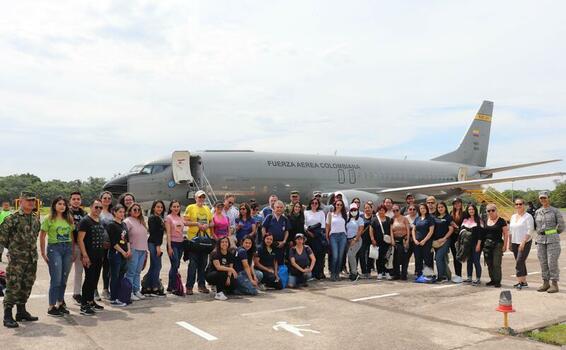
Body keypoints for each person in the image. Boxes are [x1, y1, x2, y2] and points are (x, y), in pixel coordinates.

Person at [0, 192, 41, 328]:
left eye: (33, 201)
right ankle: (7, 316)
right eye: (28, 200)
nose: (31, 203)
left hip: (31, 259)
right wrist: (13, 250)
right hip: (17, 260)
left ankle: (21, 312)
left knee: (26, 285)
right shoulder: (13, 218)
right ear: (21, 202)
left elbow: (34, 236)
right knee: (13, 286)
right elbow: (2, 238)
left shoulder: (35, 218)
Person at [40, 197, 74, 317]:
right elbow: (42, 236)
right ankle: (51, 306)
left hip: (68, 249)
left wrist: (73, 251)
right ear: (54, 205)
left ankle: (60, 304)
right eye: (59, 204)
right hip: (54, 249)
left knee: (64, 279)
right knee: (56, 279)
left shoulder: (69, 219)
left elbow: (72, 236)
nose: (62, 206)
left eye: (64, 204)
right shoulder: (49, 218)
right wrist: (43, 253)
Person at [77, 200, 106, 316]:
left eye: (100, 208)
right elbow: (80, 240)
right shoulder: (85, 221)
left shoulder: (99, 220)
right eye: (96, 207)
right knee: (89, 279)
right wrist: (84, 255)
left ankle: (91, 301)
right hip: (89, 255)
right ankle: (84, 305)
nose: (98, 209)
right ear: (90, 207)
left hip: (99, 255)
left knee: (94, 280)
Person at [184, 190, 213, 295]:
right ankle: (189, 286)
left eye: (203, 197)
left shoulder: (207, 208)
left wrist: (207, 226)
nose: (201, 199)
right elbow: (185, 222)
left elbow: (212, 222)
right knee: (192, 265)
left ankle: (201, 285)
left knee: (203, 265)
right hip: (194, 241)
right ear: (195, 198)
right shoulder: (190, 207)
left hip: (204, 241)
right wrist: (197, 223)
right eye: (199, 197)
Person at [534, 191, 564, 293]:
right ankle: (545, 283)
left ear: (548, 198)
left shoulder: (555, 211)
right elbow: (537, 227)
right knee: (543, 262)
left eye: (545, 198)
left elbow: (561, 227)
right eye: (541, 198)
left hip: (552, 241)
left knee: (552, 263)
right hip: (541, 241)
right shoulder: (538, 212)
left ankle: (554, 284)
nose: (543, 200)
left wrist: (548, 232)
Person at [106, 205, 130, 307]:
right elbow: (114, 242)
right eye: (120, 212)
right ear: (114, 212)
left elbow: (127, 239)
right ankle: (113, 298)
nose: (122, 214)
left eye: (123, 212)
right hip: (116, 254)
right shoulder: (111, 225)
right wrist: (122, 252)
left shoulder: (124, 224)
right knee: (114, 276)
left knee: (121, 275)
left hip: (124, 253)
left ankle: (120, 296)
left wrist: (128, 250)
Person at [124, 203, 148, 300]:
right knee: (131, 272)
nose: (137, 211)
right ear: (130, 211)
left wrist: (146, 251)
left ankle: (136, 290)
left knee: (138, 271)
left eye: (138, 209)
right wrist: (128, 249)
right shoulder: (127, 221)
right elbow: (125, 237)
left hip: (143, 249)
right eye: (134, 209)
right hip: (134, 249)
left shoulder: (141, 221)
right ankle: (129, 292)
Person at [510, 198, 534, 290]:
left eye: (520, 204)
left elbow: (530, 230)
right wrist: (510, 243)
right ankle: (524, 282)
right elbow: (511, 230)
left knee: (519, 261)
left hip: (525, 242)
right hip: (515, 242)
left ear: (524, 205)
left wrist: (523, 242)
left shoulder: (528, 216)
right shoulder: (513, 216)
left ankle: (520, 281)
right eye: (516, 204)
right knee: (520, 261)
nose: (518, 206)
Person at [483, 203, 509, 288]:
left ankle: (497, 281)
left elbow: (505, 234)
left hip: (497, 244)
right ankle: (492, 279)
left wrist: (505, 245)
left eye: (492, 210)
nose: (491, 212)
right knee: (489, 263)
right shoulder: (485, 220)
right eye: (488, 211)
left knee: (496, 263)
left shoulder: (501, 221)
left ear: (496, 211)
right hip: (487, 245)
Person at [69, 191, 87, 305]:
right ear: (70, 200)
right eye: (74, 199)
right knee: (65, 272)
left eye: (78, 199)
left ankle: (76, 293)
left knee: (79, 271)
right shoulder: (66, 212)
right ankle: (59, 298)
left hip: (80, 245)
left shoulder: (84, 213)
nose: (76, 201)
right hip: (69, 245)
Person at [205, 236, 237, 301]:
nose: (224, 243)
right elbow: (218, 267)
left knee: (233, 283)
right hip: (211, 275)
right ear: (219, 244)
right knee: (222, 272)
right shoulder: (215, 253)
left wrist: (229, 277)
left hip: (223, 274)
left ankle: (221, 288)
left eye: (226, 242)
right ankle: (218, 293)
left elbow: (230, 266)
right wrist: (231, 270)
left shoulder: (230, 254)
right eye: (222, 242)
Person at [146, 200, 166, 296]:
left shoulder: (159, 218)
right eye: (158, 207)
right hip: (153, 243)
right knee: (157, 265)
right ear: (154, 208)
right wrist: (158, 246)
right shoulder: (153, 218)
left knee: (154, 266)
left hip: (155, 243)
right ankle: (154, 287)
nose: (160, 209)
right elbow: (154, 233)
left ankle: (148, 286)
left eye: (161, 207)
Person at [304, 197, 327, 279]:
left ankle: (318, 273)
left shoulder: (321, 213)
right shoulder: (306, 212)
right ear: (310, 204)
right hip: (309, 235)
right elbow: (304, 224)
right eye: (312, 203)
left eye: (316, 203)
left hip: (318, 236)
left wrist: (318, 234)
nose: (314, 204)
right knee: (310, 255)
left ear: (318, 204)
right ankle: (311, 273)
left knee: (319, 255)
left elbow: (323, 225)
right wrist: (308, 232)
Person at [98, 191, 114, 301]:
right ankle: (94, 290)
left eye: (109, 198)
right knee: (96, 268)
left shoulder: (113, 213)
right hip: (98, 245)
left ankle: (105, 289)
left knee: (107, 268)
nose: (107, 200)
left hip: (111, 245)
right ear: (101, 199)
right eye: (105, 198)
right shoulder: (97, 211)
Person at [432, 202, 454, 283]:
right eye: (439, 207)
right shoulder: (435, 217)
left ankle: (441, 277)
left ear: (445, 208)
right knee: (442, 259)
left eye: (442, 207)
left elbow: (451, 229)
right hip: (436, 241)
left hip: (445, 241)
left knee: (438, 258)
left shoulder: (448, 217)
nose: (440, 208)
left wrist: (444, 238)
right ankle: (447, 276)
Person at [262, 201, 289, 265]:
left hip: (280, 244)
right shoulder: (269, 217)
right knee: (270, 261)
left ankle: (279, 274)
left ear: (283, 209)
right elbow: (263, 228)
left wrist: (284, 241)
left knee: (279, 261)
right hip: (270, 243)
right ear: (274, 208)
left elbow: (287, 231)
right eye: (277, 207)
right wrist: (265, 239)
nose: (279, 209)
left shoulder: (285, 219)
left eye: (281, 207)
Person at [165, 200, 184, 292]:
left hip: (180, 244)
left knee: (176, 265)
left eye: (177, 206)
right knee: (175, 263)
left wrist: (197, 223)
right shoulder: (168, 218)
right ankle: (173, 286)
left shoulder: (180, 217)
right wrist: (169, 247)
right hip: (172, 243)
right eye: (174, 207)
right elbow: (168, 233)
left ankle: (171, 286)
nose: (176, 208)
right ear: (170, 208)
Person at [461, 204, 483, 285]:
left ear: (475, 210)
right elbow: (462, 231)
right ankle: (469, 278)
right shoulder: (465, 220)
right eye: (469, 209)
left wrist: (478, 244)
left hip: (476, 243)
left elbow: (481, 234)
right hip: (467, 244)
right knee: (469, 261)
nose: (471, 211)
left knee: (476, 261)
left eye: (472, 209)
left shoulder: (479, 220)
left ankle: (478, 278)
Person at [326, 199, 347, 281]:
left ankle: (337, 273)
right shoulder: (330, 214)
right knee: (335, 256)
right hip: (333, 236)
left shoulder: (344, 215)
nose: (339, 206)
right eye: (338, 204)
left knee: (340, 256)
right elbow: (327, 226)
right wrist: (327, 236)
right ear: (335, 205)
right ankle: (333, 273)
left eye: (341, 205)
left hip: (342, 236)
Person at [412, 203, 434, 279]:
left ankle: (428, 275)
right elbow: (413, 230)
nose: (422, 210)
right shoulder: (417, 218)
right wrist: (414, 240)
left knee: (427, 259)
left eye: (424, 208)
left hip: (427, 242)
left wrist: (424, 240)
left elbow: (431, 231)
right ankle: (419, 275)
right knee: (418, 259)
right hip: (417, 242)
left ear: (426, 209)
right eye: (421, 208)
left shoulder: (430, 218)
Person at [391, 204, 411, 280]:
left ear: (400, 210)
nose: (395, 212)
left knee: (405, 258)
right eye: (393, 210)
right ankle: (396, 274)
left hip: (404, 239)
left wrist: (408, 240)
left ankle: (404, 274)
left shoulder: (404, 219)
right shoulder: (392, 219)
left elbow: (408, 230)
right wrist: (392, 239)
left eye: (397, 210)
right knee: (396, 258)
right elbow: (391, 231)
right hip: (396, 240)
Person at [345, 203, 364, 281]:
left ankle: (354, 273)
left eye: (355, 210)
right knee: (351, 257)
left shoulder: (360, 219)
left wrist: (355, 239)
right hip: (348, 240)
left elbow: (360, 230)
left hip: (356, 240)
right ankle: (352, 272)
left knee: (351, 255)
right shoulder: (347, 219)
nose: (353, 211)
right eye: (352, 210)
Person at [359, 202, 377, 279]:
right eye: (365, 208)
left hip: (371, 239)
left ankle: (369, 272)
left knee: (370, 256)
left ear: (371, 208)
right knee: (362, 255)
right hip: (362, 239)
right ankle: (363, 272)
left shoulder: (374, 217)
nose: (367, 209)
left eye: (368, 208)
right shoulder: (361, 217)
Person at [449, 198, 464, 283]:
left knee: (458, 257)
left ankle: (459, 275)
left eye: (458, 203)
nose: (457, 205)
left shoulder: (464, 214)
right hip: (452, 237)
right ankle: (457, 275)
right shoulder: (452, 213)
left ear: (461, 204)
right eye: (455, 203)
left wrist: (457, 227)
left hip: (460, 237)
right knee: (455, 256)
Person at [404, 204, 418, 276]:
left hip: (416, 240)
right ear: (407, 210)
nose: (412, 211)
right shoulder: (405, 218)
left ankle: (417, 272)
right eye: (410, 209)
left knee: (417, 257)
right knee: (406, 257)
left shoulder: (419, 218)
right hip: (408, 240)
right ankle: (404, 271)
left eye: (414, 209)